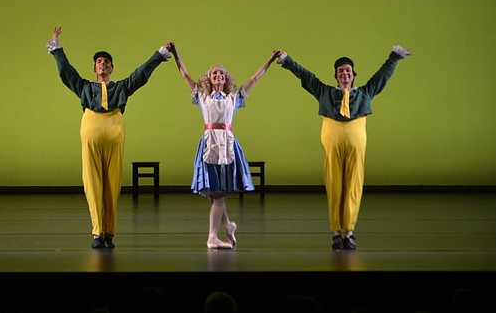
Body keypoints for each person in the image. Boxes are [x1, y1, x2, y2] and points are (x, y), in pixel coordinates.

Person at [276, 45, 413, 250]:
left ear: (353, 74)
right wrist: (287, 61)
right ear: (336, 76)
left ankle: (349, 232)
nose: (345, 73)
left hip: (356, 142)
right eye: (341, 71)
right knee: (334, 184)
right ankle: (336, 233)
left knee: (354, 184)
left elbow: (381, 76)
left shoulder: (365, 92)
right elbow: (306, 75)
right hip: (332, 140)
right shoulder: (325, 91)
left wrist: (395, 57)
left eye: (348, 70)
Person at [46, 26, 171, 249]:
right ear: (95, 67)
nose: (102, 64)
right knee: (92, 184)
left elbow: (141, 74)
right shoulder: (85, 87)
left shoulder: (120, 87)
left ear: (112, 68)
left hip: (114, 134)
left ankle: (109, 233)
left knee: (112, 184)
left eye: (106, 62)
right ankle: (97, 233)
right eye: (99, 62)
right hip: (91, 135)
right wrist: (56, 48)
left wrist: (159, 55)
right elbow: (66, 72)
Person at [168, 41, 281, 249]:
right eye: (214, 74)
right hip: (209, 143)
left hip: (227, 143)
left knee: (218, 193)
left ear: (226, 78)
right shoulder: (202, 96)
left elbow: (255, 78)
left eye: (222, 73)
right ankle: (220, 231)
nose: (218, 75)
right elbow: (184, 75)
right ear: (209, 80)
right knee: (214, 194)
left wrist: (271, 60)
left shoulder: (234, 97)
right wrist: (175, 53)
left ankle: (222, 229)